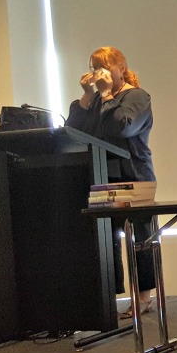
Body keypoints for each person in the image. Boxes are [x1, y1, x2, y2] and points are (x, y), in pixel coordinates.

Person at [65, 46, 157, 319]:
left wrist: (106, 96)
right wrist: (87, 97)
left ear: (121, 69)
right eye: (94, 67)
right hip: (101, 176)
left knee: (138, 238)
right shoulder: (95, 100)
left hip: (133, 176)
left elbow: (122, 127)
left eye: (103, 67)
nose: (98, 73)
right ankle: (108, 295)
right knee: (105, 238)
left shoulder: (137, 96)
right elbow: (74, 132)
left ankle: (143, 297)